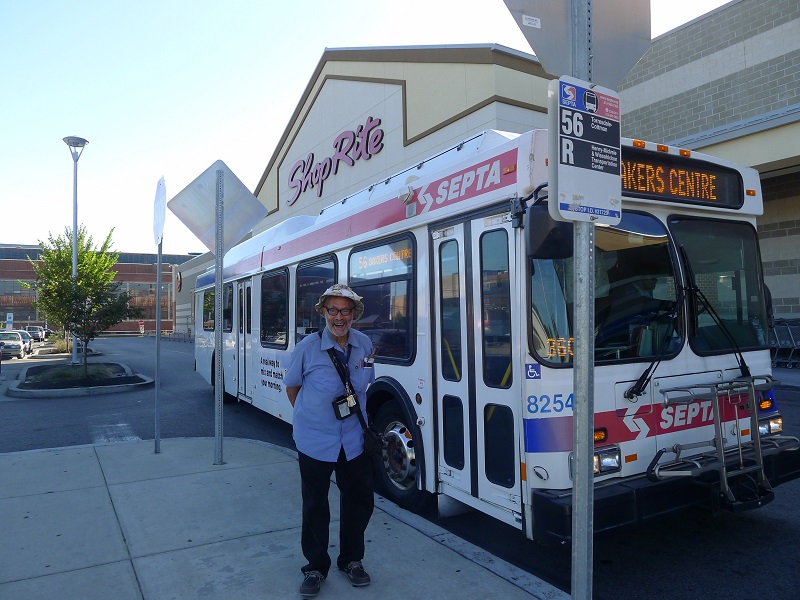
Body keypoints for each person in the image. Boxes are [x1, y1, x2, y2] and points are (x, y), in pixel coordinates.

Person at [285, 283, 376, 598]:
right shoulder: (308, 348)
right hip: (315, 441)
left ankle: (351, 560)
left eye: (346, 310)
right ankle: (314, 566)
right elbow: (292, 387)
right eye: (333, 310)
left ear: (354, 314)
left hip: (353, 441)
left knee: (359, 502)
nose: (340, 317)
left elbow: (364, 387)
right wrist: (312, 419)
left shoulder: (364, 345)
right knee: (315, 504)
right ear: (323, 312)